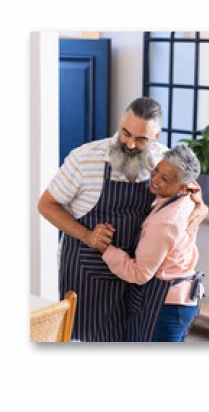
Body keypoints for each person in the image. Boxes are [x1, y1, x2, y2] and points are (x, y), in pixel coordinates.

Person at [38, 97, 168, 342]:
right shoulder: (84, 159)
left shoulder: (163, 162)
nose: (130, 144)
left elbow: (192, 195)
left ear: (156, 136)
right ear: (120, 123)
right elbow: (46, 205)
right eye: (126, 133)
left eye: (141, 139)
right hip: (89, 271)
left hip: (137, 273)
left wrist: (198, 211)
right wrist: (87, 235)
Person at [100, 144, 209, 342]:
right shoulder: (187, 195)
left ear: (182, 187)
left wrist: (105, 249)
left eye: (165, 179)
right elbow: (194, 185)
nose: (155, 179)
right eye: (157, 170)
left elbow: (140, 274)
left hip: (167, 306)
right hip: (183, 300)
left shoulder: (165, 222)